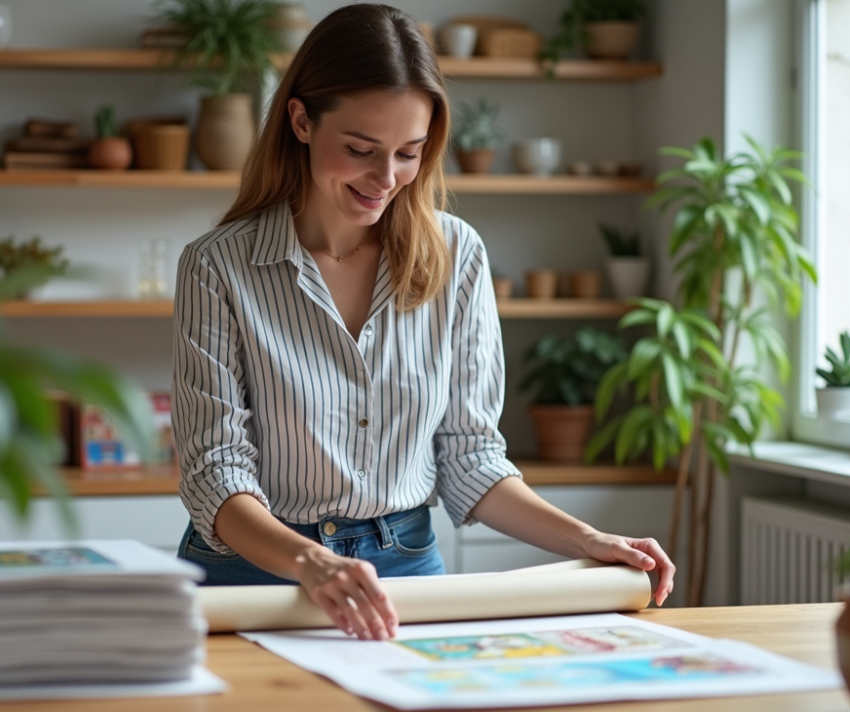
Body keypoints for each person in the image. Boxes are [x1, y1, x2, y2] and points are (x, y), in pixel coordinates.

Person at [172, 3, 674, 641]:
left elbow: (470, 457)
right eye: (361, 149)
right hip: (250, 578)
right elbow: (216, 471)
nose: (386, 179)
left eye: (409, 153)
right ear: (300, 119)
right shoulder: (216, 266)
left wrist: (590, 538)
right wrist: (314, 563)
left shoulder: (457, 255)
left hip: (406, 574)